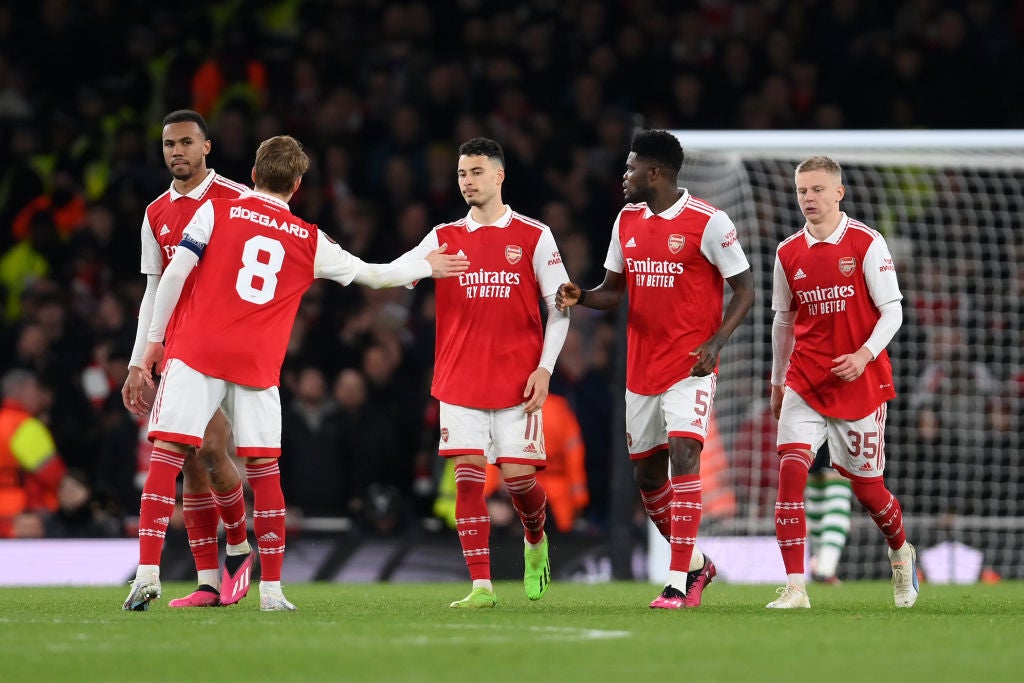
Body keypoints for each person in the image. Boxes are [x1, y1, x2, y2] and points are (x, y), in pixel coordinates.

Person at [122, 134, 468, 612]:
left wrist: (156, 341)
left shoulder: (217, 210)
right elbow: (374, 274)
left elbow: (176, 273)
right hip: (257, 363)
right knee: (264, 472)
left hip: (197, 350)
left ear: (255, 175)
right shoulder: (308, 237)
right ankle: (272, 591)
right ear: (298, 184)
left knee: (167, 456)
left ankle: (145, 575)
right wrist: (425, 266)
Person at [556, 129, 754, 609]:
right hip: (641, 368)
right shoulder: (626, 221)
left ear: (656, 172)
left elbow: (745, 289)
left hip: (691, 366)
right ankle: (698, 566)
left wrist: (715, 341)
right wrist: (582, 296)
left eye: (631, 168)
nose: (624, 177)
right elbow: (612, 291)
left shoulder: (709, 222)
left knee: (685, 458)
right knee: (648, 479)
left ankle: (676, 583)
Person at [394, 137, 570, 608]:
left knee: (518, 482)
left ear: (499, 175)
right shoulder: (443, 236)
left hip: (518, 384)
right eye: (461, 174)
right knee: (468, 478)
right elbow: (399, 273)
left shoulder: (534, 235)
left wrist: (545, 369)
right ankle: (481, 586)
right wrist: (360, 266)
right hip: (460, 380)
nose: (467, 182)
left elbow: (560, 309)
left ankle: (536, 538)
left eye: (475, 172)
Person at [766, 155, 918, 609]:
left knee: (869, 491)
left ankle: (901, 553)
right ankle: (796, 587)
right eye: (801, 191)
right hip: (805, 380)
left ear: (839, 192)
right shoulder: (787, 252)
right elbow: (783, 321)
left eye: (816, 190)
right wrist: (777, 381)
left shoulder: (867, 244)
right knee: (790, 473)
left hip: (859, 384)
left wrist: (864, 355)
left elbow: (894, 310)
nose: (808, 199)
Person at [121, 109, 254, 609]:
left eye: (185, 143)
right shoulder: (155, 213)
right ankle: (208, 582)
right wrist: (139, 361)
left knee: (215, 453)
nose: (176, 151)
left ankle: (239, 549)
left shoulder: (236, 201)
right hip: (179, 348)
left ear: (206, 147)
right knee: (196, 462)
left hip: (229, 347)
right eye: (168, 145)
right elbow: (153, 290)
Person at [0, 369, 68, 537]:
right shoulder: (25, 426)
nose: (39, 396)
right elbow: (54, 476)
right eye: (35, 389)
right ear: (23, 390)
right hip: (26, 519)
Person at [805, 445, 852, 584]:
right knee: (838, 479)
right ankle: (825, 568)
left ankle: (818, 561)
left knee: (815, 477)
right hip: (840, 424)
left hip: (812, 426)